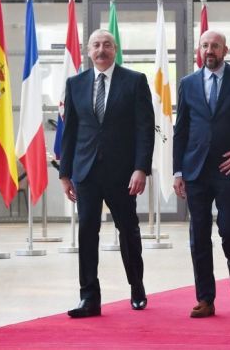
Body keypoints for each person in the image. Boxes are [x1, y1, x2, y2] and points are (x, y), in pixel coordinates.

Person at [59, 29, 155, 318]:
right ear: (88, 51)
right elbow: (71, 130)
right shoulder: (75, 83)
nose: (101, 50)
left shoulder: (135, 81)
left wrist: (141, 168)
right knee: (87, 232)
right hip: (85, 172)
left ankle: (136, 286)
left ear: (115, 50)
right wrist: (65, 173)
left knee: (128, 230)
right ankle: (89, 298)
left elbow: (144, 128)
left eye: (107, 45)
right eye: (96, 45)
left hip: (123, 173)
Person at [173, 30, 230, 318]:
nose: (209, 50)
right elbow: (182, 130)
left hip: (229, 168)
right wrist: (178, 171)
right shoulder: (187, 83)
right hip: (195, 170)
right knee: (198, 234)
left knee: (228, 229)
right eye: (205, 46)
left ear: (225, 50)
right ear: (199, 50)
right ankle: (205, 298)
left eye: (215, 45)